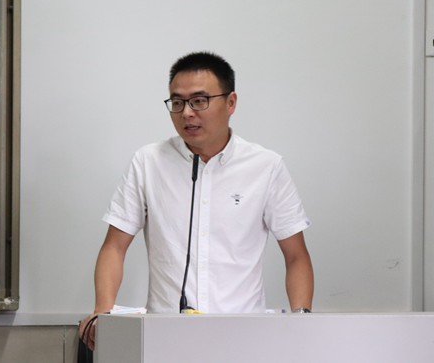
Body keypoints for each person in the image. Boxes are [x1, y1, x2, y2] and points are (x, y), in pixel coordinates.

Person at [80, 52, 313, 350]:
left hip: (244, 338)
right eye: (178, 102)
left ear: (231, 103)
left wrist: (302, 321)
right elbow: (114, 246)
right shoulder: (148, 162)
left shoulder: (266, 166)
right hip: (165, 337)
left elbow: (296, 257)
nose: (187, 113)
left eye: (199, 101)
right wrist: (102, 311)